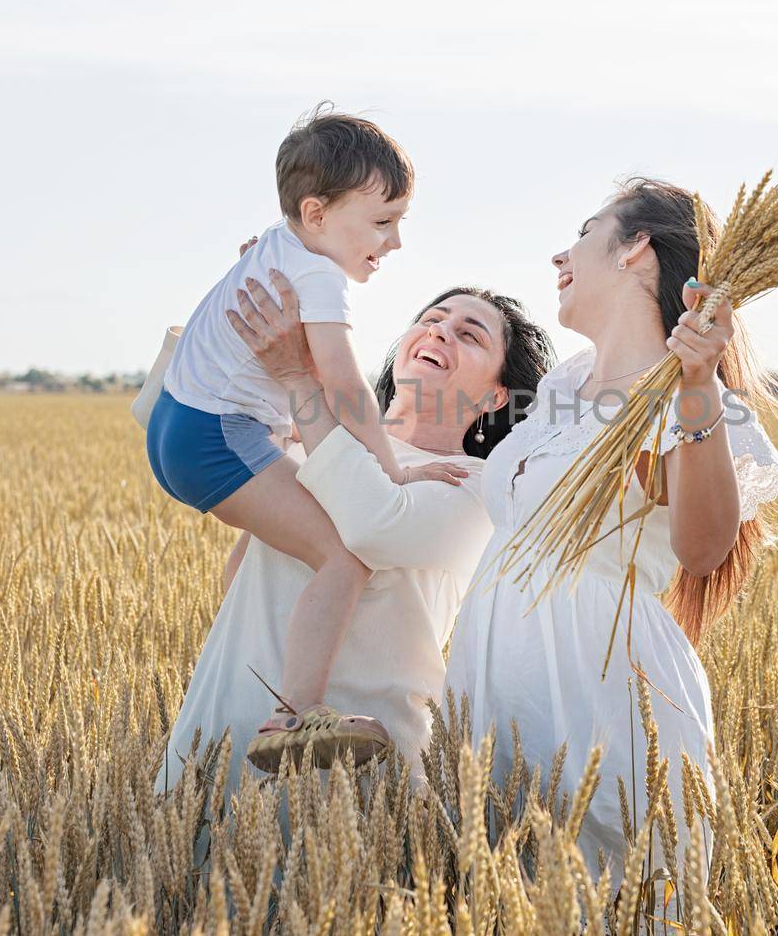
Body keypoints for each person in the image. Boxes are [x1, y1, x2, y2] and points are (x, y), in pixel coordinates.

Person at [443, 177, 778, 881]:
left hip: (592, 699)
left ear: (636, 249)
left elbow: (700, 550)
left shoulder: (687, 398)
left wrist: (695, 387)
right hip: (493, 691)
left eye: (583, 230)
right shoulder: (564, 386)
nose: (558, 255)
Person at [152, 266, 554, 800]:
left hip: (357, 770)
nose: (439, 331)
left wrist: (300, 381)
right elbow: (243, 584)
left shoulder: (478, 486)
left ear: (496, 398)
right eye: (432, 319)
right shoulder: (310, 444)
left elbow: (372, 523)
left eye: (469, 334)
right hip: (228, 731)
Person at [143, 105, 458, 771]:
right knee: (343, 558)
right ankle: (295, 716)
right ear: (316, 215)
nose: (395, 241)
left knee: (269, 527)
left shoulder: (279, 244)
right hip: (216, 436)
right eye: (381, 221)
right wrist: (390, 472)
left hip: (178, 423)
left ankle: (233, 640)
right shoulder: (320, 276)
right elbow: (343, 385)